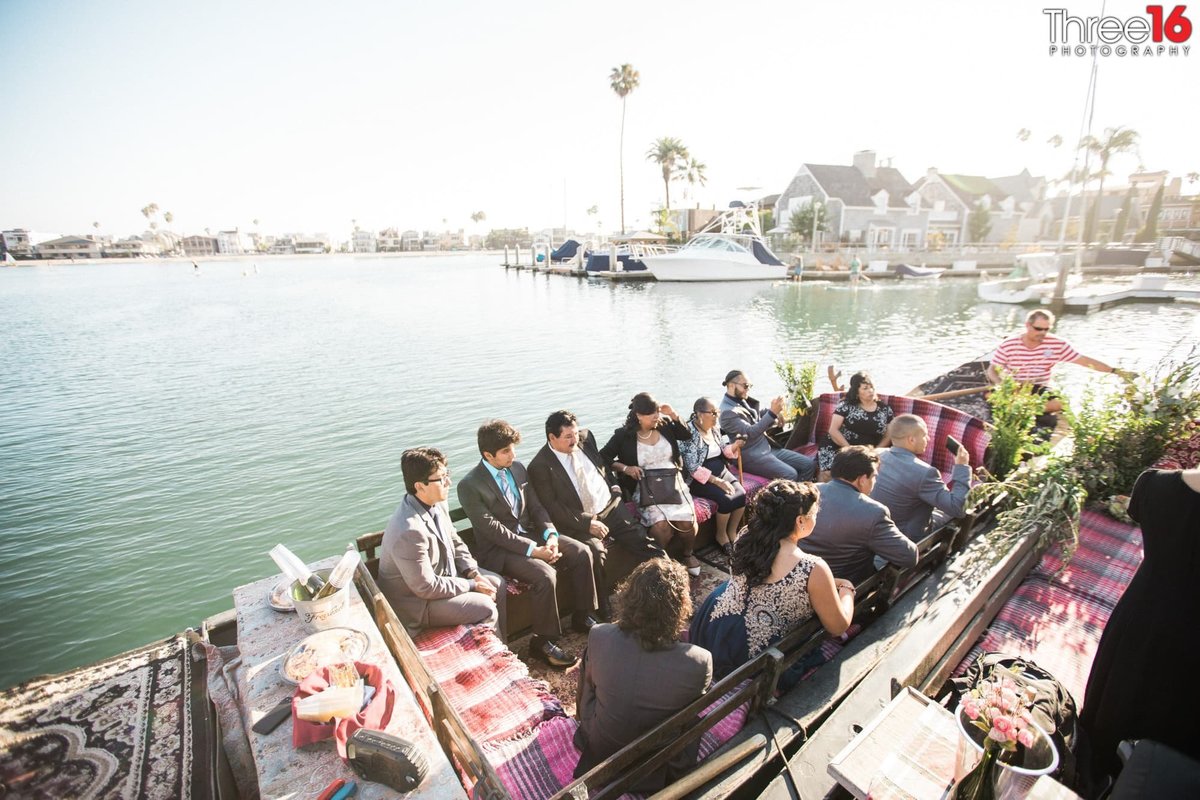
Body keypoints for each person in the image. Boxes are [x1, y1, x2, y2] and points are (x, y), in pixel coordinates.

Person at [1077, 467, 1200, 794]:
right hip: (1191, 641)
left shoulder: (1153, 485)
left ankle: (1092, 778)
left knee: (1116, 705)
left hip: (1142, 618)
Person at [457, 420, 598, 669]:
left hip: (532, 534)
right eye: (506, 452)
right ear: (488, 455)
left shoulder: (519, 469)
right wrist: (535, 551)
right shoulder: (469, 485)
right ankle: (543, 642)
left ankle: (582, 614)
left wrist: (551, 535)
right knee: (544, 575)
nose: (513, 455)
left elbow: (536, 507)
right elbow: (493, 530)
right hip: (499, 549)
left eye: (513, 449)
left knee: (581, 552)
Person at [689, 480, 855, 687]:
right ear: (800, 521)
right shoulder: (814, 568)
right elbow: (838, 626)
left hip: (717, 625)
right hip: (752, 648)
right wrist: (847, 589)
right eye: (814, 514)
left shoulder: (745, 536)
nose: (816, 518)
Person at [573, 559, 713, 792]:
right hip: (656, 768)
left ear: (629, 597)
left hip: (601, 750)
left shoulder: (599, 635)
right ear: (680, 608)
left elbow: (587, 693)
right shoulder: (699, 662)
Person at [528, 410, 663, 620]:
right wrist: (586, 523)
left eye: (575, 433)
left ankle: (670, 578)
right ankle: (601, 609)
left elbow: (601, 465)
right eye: (568, 437)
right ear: (551, 438)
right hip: (578, 521)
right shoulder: (539, 466)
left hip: (610, 507)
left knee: (640, 538)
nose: (575, 439)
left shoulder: (586, 437)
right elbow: (552, 507)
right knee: (594, 552)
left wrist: (614, 487)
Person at [378, 447, 504, 632]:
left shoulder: (437, 502)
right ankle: (491, 657)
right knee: (485, 607)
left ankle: (503, 646)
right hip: (419, 604)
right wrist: (471, 585)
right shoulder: (409, 530)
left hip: (445, 577)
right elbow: (425, 586)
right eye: (441, 479)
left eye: (447, 474)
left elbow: (454, 540)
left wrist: (472, 572)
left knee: (497, 583)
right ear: (419, 486)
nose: (449, 482)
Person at [600, 393, 701, 575]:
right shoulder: (624, 435)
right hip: (645, 486)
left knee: (687, 522)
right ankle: (659, 562)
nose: (656, 416)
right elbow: (602, 458)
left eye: (656, 411)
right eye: (650, 413)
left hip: (674, 482)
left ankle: (688, 553)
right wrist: (625, 468)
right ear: (638, 415)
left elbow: (686, 435)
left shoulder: (665, 425)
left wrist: (673, 415)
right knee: (661, 527)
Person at [800, 446, 917, 584]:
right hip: (844, 591)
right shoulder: (873, 512)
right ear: (862, 479)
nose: (875, 482)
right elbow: (909, 556)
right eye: (874, 477)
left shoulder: (806, 492)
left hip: (798, 581)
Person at [986, 309, 1132, 414]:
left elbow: (1084, 361)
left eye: (1046, 329)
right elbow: (992, 370)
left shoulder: (1057, 344)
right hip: (1014, 385)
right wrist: (1002, 384)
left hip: (1039, 387)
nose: (1043, 333)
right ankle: (1025, 407)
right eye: (1038, 329)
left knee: (1059, 404)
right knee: (990, 396)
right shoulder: (1009, 344)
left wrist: (1115, 371)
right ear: (1028, 326)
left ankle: (1022, 408)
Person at [870, 414, 972, 542]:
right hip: (907, 539)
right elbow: (958, 508)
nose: (928, 439)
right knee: (952, 511)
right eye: (924, 435)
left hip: (875, 529)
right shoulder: (925, 472)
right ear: (911, 440)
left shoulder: (876, 454)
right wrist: (962, 466)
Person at [678, 397, 747, 558]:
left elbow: (724, 450)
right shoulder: (688, 433)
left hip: (720, 469)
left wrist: (735, 446)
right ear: (699, 414)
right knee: (726, 500)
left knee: (741, 495)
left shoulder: (714, 429)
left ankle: (732, 532)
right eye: (713, 412)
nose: (717, 416)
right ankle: (721, 535)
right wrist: (718, 482)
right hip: (699, 478)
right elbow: (692, 467)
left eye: (718, 412)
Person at [718, 369, 816, 481]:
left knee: (808, 464)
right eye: (745, 386)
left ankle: (803, 495)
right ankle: (794, 496)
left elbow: (756, 415)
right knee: (791, 474)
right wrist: (772, 413)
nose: (748, 389)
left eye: (750, 386)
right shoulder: (727, 412)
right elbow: (750, 433)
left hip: (767, 448)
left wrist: (774, 412)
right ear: (731, 385)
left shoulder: (739, 399)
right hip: (751, 457)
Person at [817, 371, 894, 480]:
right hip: (839, 445)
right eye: (865, 388)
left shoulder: (885, 409)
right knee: (828, 475)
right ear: (857, 392)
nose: (870, 390)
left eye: (871, 387)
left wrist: (876, 451)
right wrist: (850, 449)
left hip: (868, 449)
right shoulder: (846, 406)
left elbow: (889, 434)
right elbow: (833, 430)